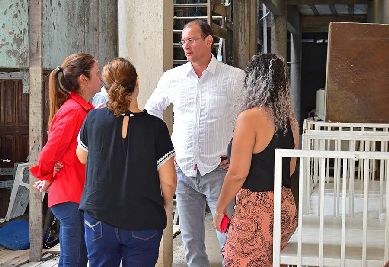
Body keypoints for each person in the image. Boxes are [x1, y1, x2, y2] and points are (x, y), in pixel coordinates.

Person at [145, 19, 245, 266]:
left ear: (209, 41)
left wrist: (236, 154)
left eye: (191, 40)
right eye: (183, 41)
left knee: (229, 240)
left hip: (219, 172)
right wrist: (165, 151)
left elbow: (249, 118)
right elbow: (151, 112)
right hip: (183, 172)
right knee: (191, 243)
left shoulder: (234, 78)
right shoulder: (173, 78)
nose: (185, 46)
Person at [76, 57, 177, 267]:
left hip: (99, 218)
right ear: (137, 82)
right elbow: (168, 181)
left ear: (106, 86)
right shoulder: (156, 128)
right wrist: (164, 205)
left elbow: (82, 156)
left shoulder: (93, 119)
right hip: (143, 220)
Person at [212, 53, 299, 266]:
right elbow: (289, 169)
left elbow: (238, 173)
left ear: (253, 81)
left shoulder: (250, 117)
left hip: (256, 210)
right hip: (285, 207)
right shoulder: (290, 121)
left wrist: (220, 208)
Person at [30, 53, 101, 267]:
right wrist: (47, 175)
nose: (101, 77)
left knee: (77, 258)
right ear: (84, 80)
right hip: (70, 197)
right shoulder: (73, 111)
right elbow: (49, 152)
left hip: (76, 195)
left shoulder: (83, 110)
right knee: (74, 260)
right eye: (97, 73)